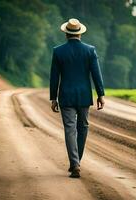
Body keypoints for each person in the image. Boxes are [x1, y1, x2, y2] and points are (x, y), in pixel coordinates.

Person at [49, 18, 105, 178]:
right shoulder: (90, 50)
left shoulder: (58, 51)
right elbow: (96, 74)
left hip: (66, 96)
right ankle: (76, 162)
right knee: (83, 128)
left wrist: (53, 97)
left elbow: (54, 77)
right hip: (84, 96)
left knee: (70, 129)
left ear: (66, 33)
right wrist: (100, 94)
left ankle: (75, 163)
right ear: (80, 34)